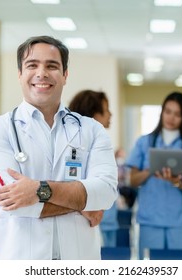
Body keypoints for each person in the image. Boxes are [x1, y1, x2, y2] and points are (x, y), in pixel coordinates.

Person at [0, 36, 118, 260]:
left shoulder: (92, 130)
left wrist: (38, 190)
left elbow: (105, 193)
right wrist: (81, 202)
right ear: (20, 74)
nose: (42, 73)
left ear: (65, 75)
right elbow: (13, 202)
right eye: (32, 65)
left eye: (52, 66)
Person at [125, 92, 182, 259]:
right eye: (168, 112)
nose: (171, 118)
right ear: (162, 112)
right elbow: (131, 179)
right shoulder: (144, 142)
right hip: (150, 221)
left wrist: (176, 181)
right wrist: (151, 169)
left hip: (181, 222)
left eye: (177, 114)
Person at [68, 89, 119, 247]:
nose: (110, 114)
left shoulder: (102, 144)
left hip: (106, 219)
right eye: (106, 110)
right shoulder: (74, 148)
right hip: (86, 220)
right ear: (95, 116)